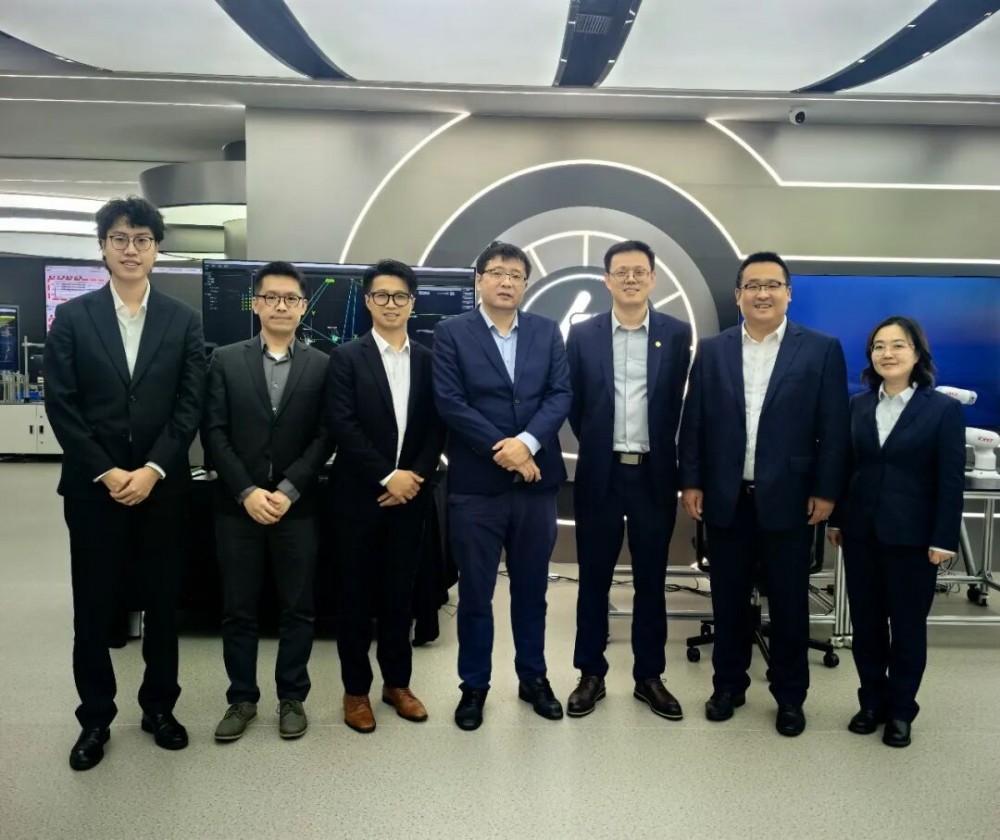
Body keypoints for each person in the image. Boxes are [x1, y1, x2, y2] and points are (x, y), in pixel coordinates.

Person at [44, 196, 206, 770]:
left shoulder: (183, 320)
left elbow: (189, 405)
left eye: (142, 239)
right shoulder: (73, 317)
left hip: (162, 489)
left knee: (162, 604)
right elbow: (62, 406)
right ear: (103, 247)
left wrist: (153, 468)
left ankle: (159, 709)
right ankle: (95, 718)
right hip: (94, 489)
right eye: (119, 238)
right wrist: (110, 471)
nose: (131, 249)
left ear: (156, 250)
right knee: (93, 607)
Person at [678, 251, 849, 737]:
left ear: (788, 294)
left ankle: (790, 696)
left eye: (772, 284)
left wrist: (827, 491)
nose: (762, 293)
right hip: (726, 496)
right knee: (728, 600)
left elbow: (834, 428)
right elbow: (694, 421)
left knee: (790, 604)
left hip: (792, 498)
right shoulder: (713, 349)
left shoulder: (820, 350)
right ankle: (728, 687)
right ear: (738, 295)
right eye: (752, 285)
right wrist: (692, 481)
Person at [433, 240, 572, 731]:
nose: (506, 282)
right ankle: (474, 686)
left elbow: (560, 394)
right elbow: (450, 402)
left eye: (516, 275)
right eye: (497, 272)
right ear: (479, 280)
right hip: (476, 487)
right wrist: (506, 450)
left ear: (525, 284)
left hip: (536, 486)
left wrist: (528, 444)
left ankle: (533, 678)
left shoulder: (547, 331)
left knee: (532, 591)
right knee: (475, 593)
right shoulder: (451, 332)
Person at [203, 261, 331, 742]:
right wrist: (247, 491)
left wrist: (289, 488)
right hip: (237, 506)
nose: (281, 306)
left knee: (298, 607)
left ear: (303, 306)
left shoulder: (322, 364)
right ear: (255, 304)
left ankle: (292, 697)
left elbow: (326, 435)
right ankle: (241, 699)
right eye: (271, 297)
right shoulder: (224, 360)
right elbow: (213, 432)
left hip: (298, 506)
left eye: (291, 299)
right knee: (238, 609)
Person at [565, 240, 691, 719]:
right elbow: (576, 404)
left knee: (651, 582)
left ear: (653, 278)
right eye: (621, 272)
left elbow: (678, 404)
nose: (631, 279)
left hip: (654, 475)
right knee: (593, 580)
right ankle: (590, 674)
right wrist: (602, 443)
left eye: (640, 271)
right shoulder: (583, 335)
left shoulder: (676, 334)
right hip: (600, 473)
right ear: (607, 280)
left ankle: (649, 677)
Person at [826, 316, 965, 748]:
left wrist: (943, 538)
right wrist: (838, 519)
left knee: (907, 629)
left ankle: (902, 710)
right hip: (861, 534)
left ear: (917, 353)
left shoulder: (942, 410)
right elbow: (846, 466)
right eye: (879, 346)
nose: (887, 353)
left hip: (915, 539)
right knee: (867, 627)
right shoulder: (857, 406)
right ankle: (871, 703)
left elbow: (950, 480)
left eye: (898, 345)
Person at [326, 259, 446, 733]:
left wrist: (413, 478)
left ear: (412, 303)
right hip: (358, 498)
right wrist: (386, 476)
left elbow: (436, 427)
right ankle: (355, 691)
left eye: (400, 296)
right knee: (354, 598)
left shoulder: (430, 359)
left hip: (410, 499)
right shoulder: (346, 357)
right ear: (368, 301)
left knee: (400, 596)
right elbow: (342, 424)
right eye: (381, 295)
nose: (391, 304)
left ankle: (398, 684)